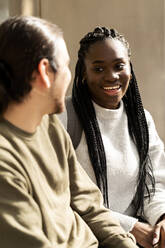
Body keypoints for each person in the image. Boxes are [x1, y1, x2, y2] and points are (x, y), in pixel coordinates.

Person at [0, 16, 139, 248]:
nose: (70, 76)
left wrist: (125, 244)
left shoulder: (49, 124)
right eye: (65, 66)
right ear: (44, 72)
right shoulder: (5, 163)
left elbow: (91, 205)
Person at [58, 27, 165, 248]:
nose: (111, 76)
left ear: (130, 69)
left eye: (119, 66)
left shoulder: (141, 120)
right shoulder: (65, 116)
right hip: (86, 238)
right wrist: (128, 226)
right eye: (98, 68)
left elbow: (155, 185)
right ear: (83, 72)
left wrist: (161, 219)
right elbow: (61, 195)